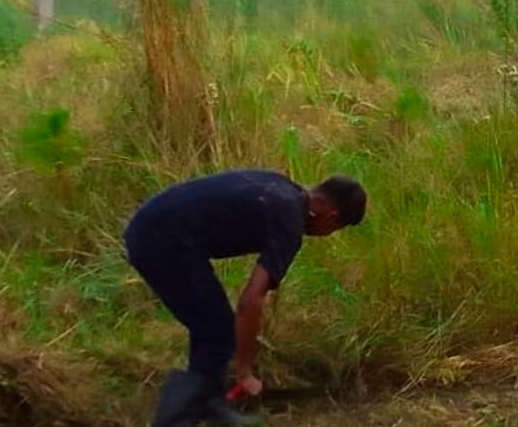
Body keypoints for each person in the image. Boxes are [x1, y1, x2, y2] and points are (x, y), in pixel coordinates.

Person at [124, 172, 368, 426]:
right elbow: (251, 301)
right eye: (334, 229)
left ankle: (210, 406)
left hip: (153, 225)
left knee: (212, 327)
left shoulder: (281, 186)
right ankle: (177, 419)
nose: (326, 234)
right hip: (161, 240)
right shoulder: (289, 220)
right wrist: (244, 373)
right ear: (332, 217)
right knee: (217, 332)